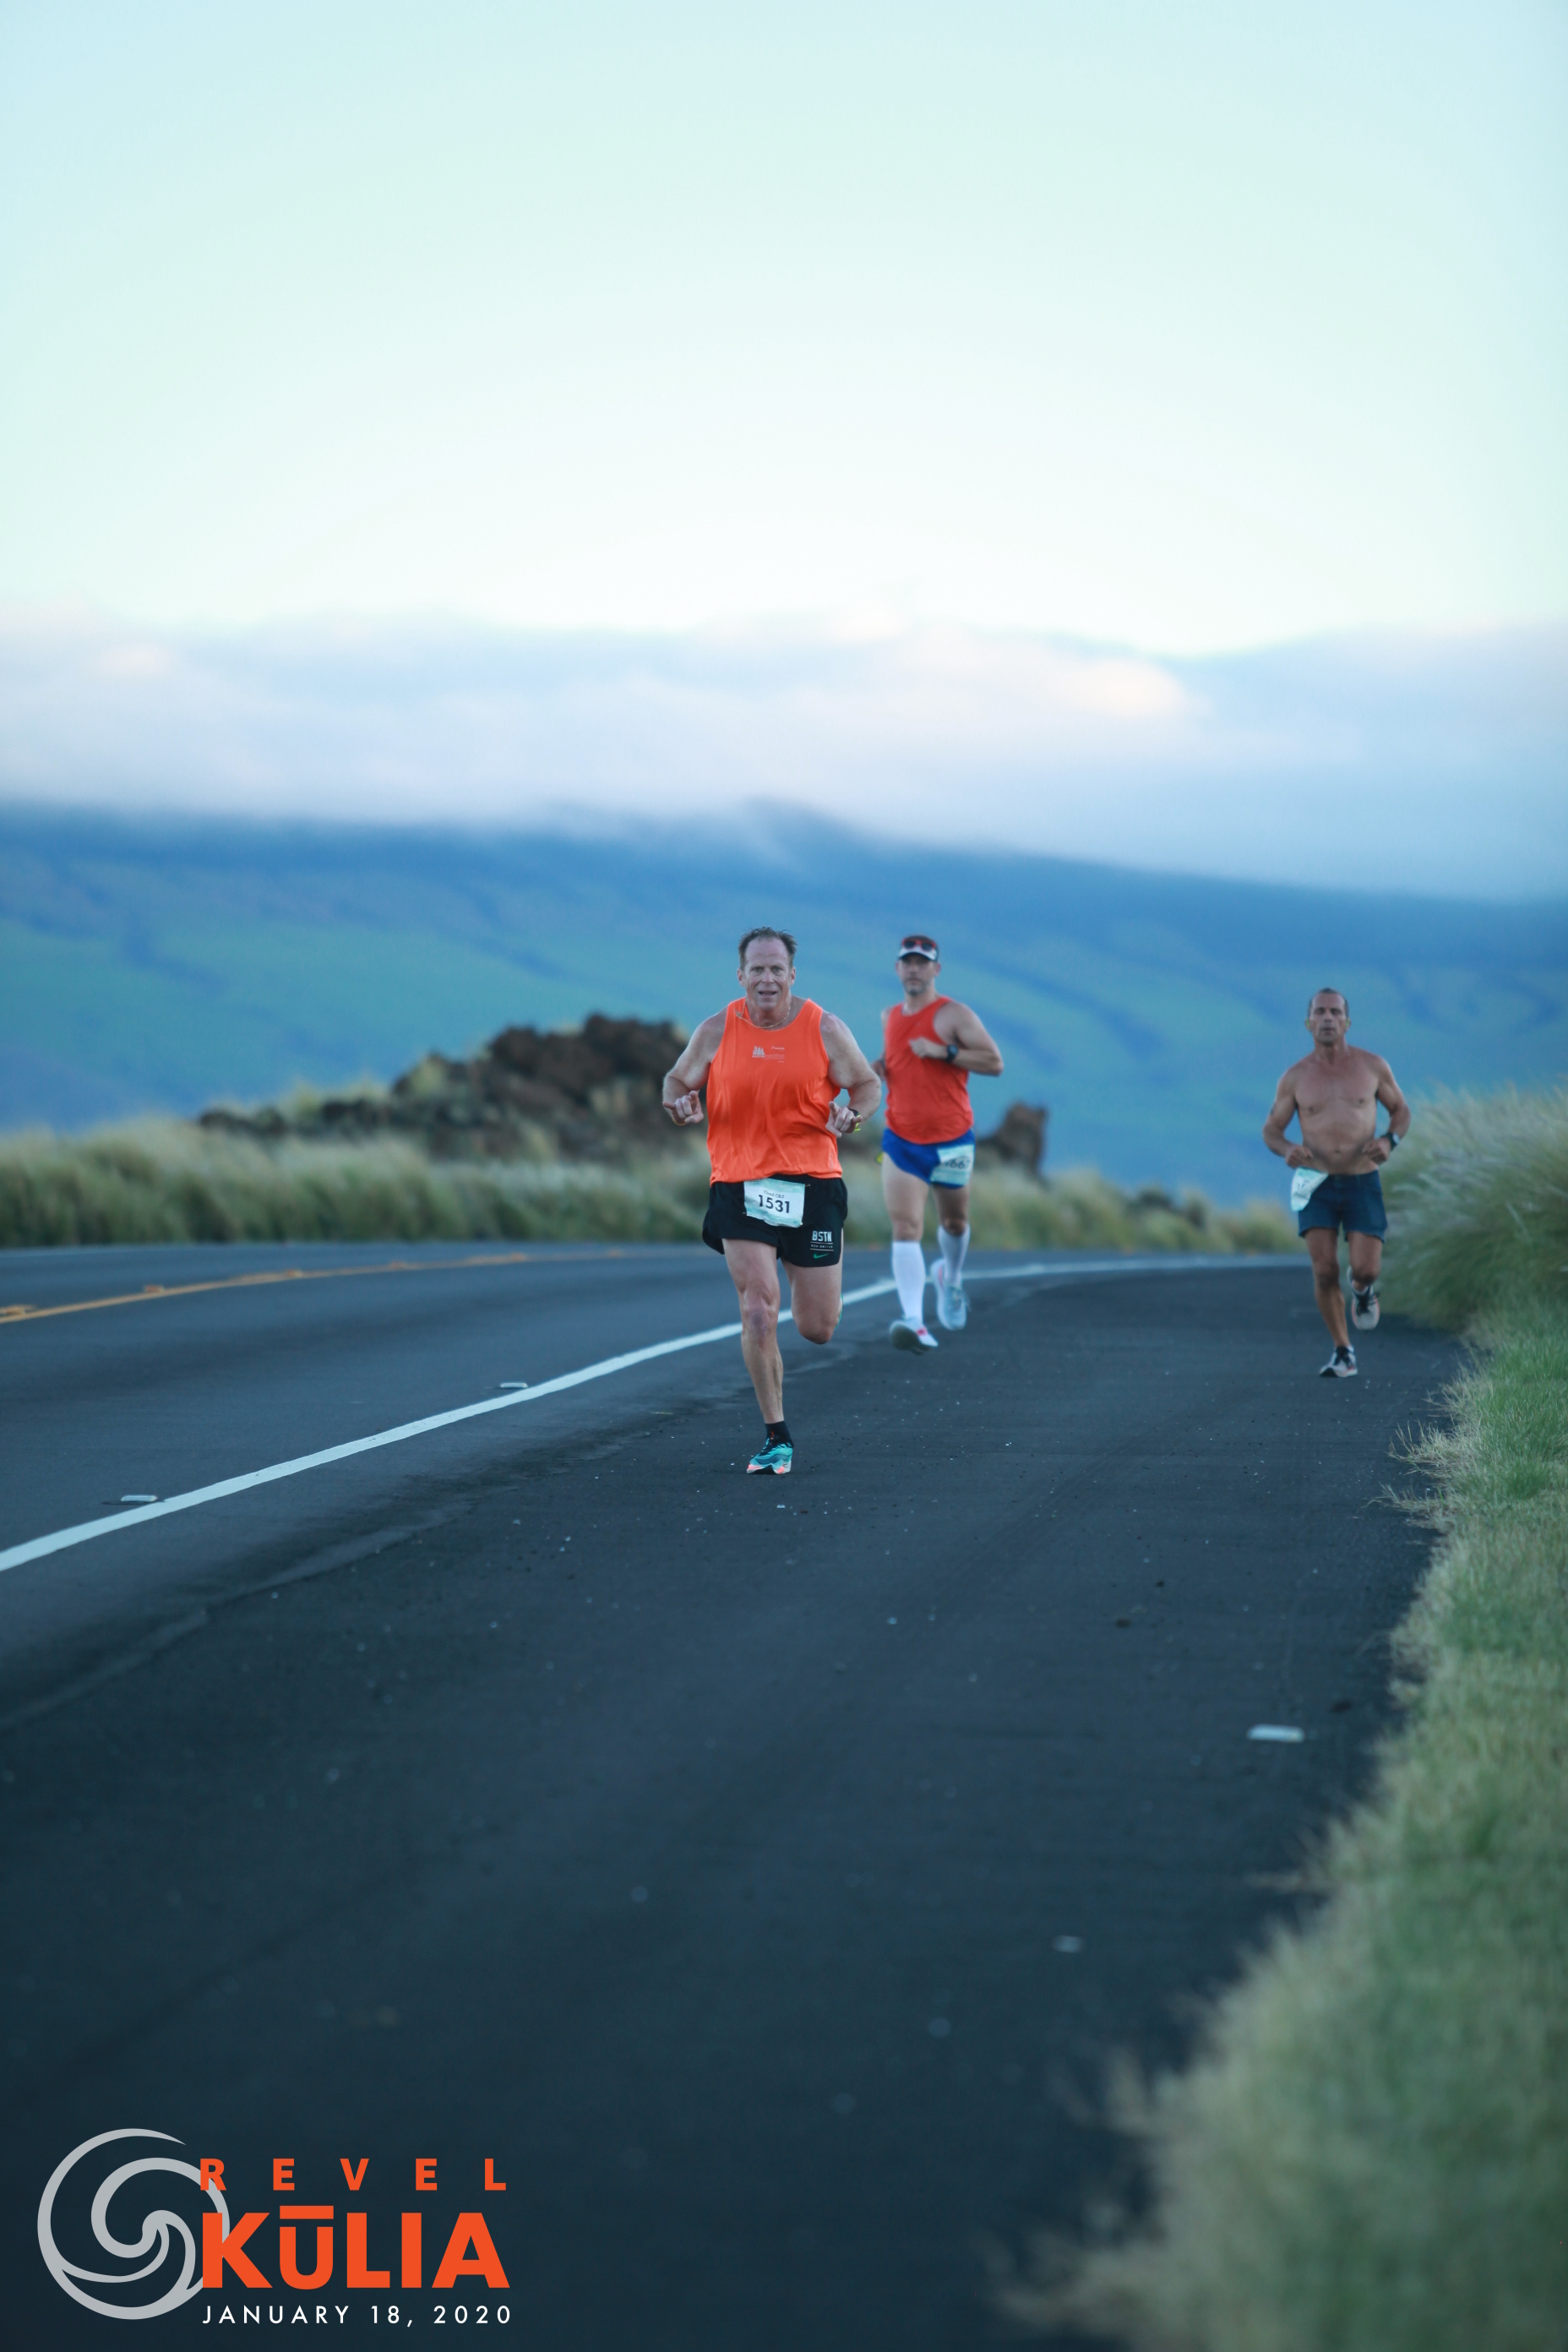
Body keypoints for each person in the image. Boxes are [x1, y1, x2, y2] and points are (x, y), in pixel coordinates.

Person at [662, 928, 881, 1474]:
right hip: (740, 1183)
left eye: (776, 969)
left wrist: (853, 1115)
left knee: (816, 1327)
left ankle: (820, 1294)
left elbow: (867, 1084)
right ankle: (776, 1437)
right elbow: (676, 1081)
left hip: (813, 1183)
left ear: (791, 975)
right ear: (740, 975)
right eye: (756, 969)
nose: (766, 979)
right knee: (758, 1310)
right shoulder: (717, 1029)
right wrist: (680, 1103)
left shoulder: (824, 1028)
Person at [1262, 988, 1411, 1377]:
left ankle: (1362, 1290)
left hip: (1362, 1178)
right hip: (1314, 1181)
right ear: (1308, 1023)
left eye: (1334, 1012)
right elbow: (1271, 1130)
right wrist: (1287, 1149)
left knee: (1366, 1269)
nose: (1327, 1018)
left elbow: (1401, 1110)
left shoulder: (1372, 1067)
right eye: (1319, 1012)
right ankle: (1344, 1351)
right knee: (1324, 1269)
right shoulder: (1295, 1077)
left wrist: (1389, 1141)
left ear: (1347, 1022)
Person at [872, 934, 1004, 1352]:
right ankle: (913, 1320)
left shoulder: (954, 1015)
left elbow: (994, 1062)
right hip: (901, 1138)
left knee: (954, 1223)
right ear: (898, 969)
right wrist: (881, 1068)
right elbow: (899, 1060)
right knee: (905, 1226)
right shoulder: (889, 1016)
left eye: (922, 963)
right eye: (907, 962)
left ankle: (951, 1275)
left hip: (951, 1139)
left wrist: (943, 1051)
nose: (914, 969)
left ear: (936, 970)